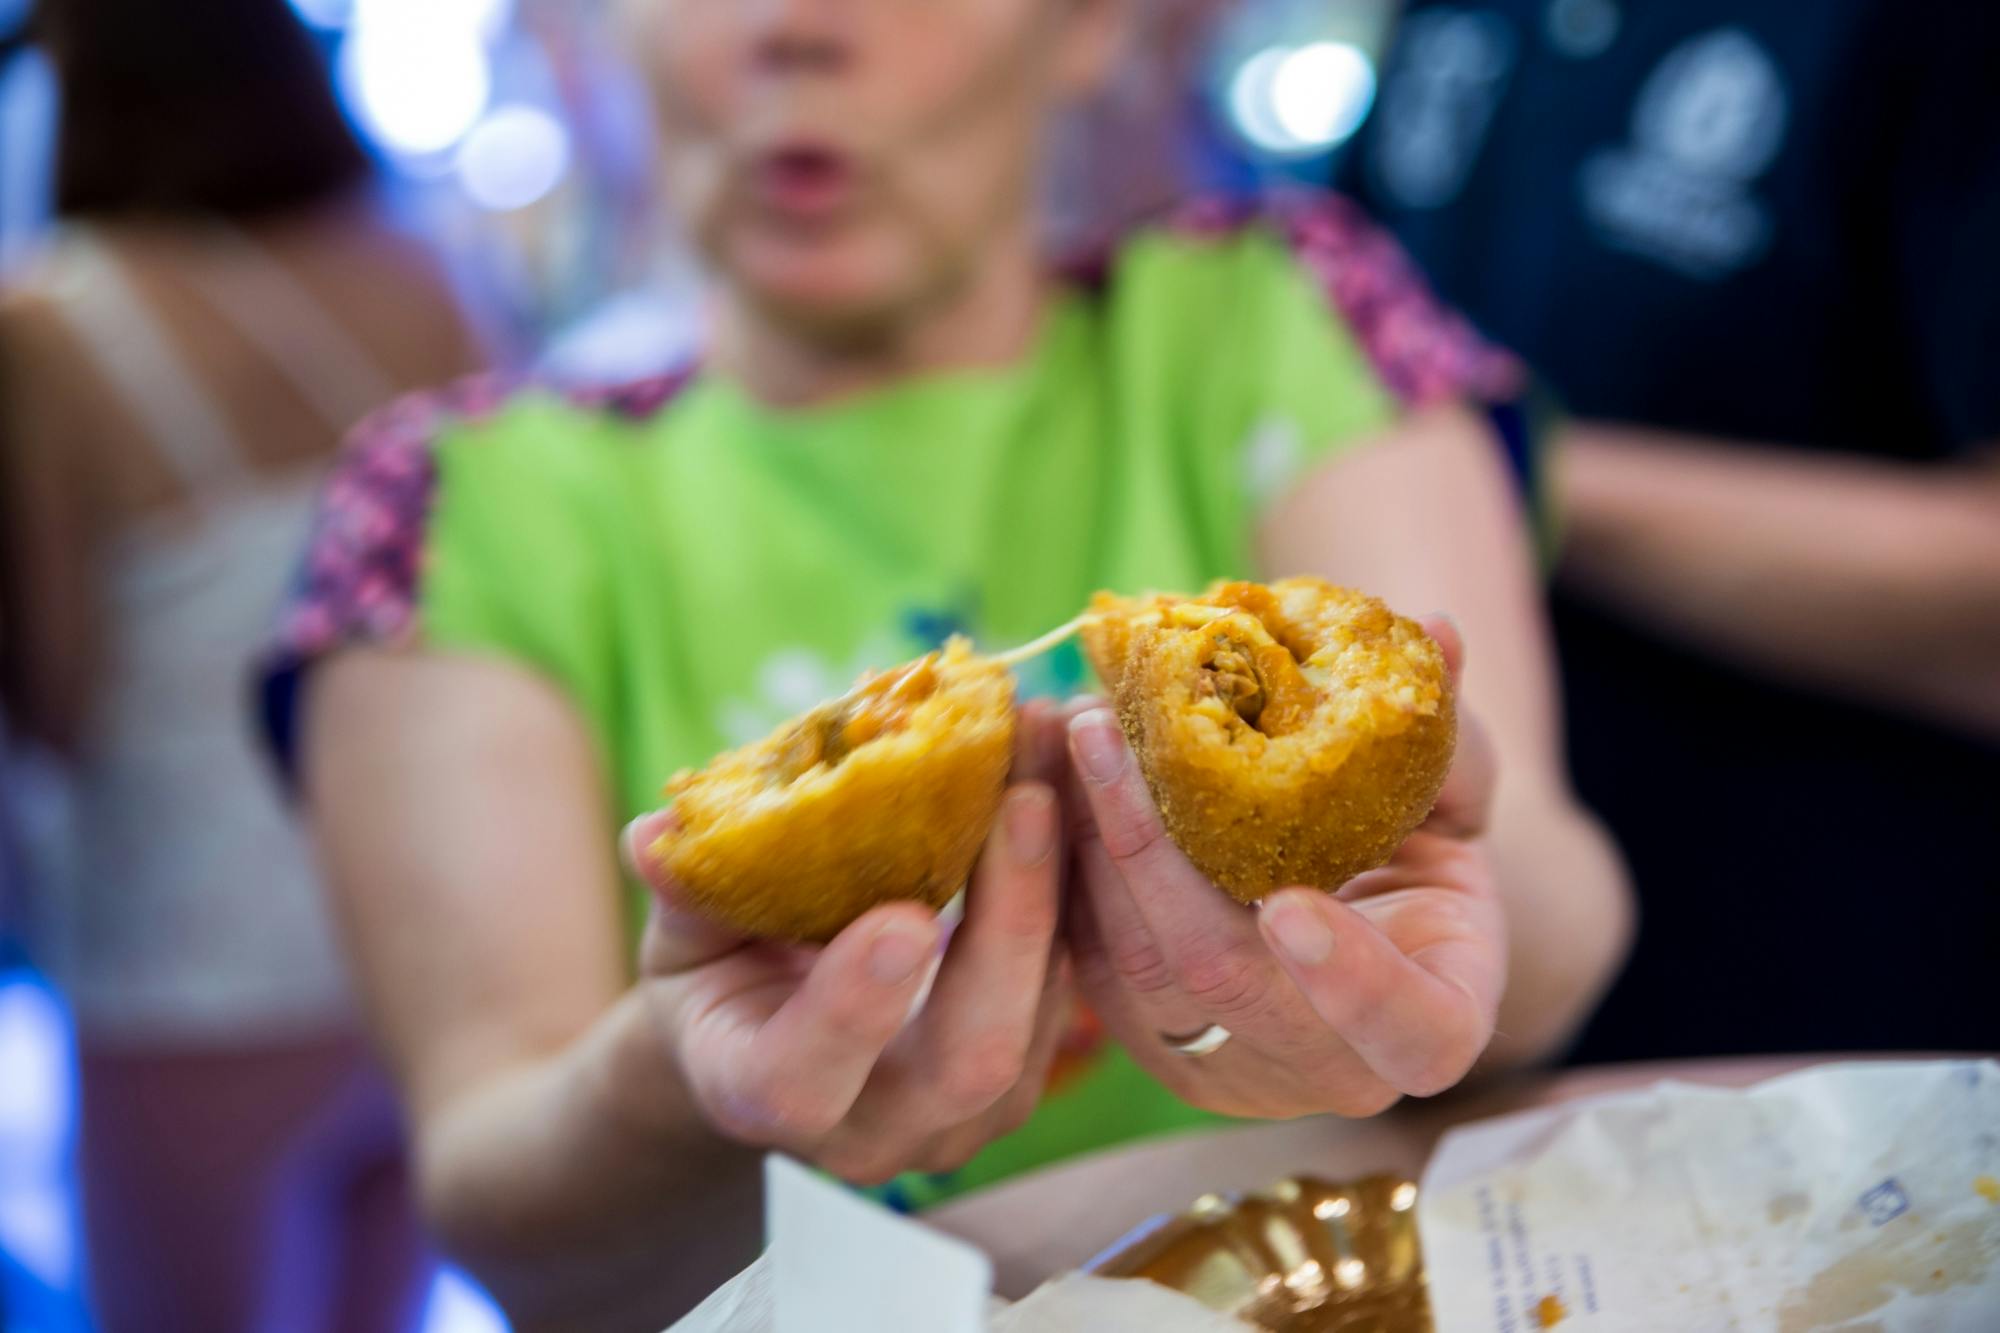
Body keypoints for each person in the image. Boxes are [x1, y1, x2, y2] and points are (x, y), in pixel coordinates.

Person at [259, 1, 1631, 1326]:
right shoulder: (450, 516)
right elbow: (511, 1222)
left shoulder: (1277, 322)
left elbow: (1550, 904)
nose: (794, 22)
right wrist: (680, 1082)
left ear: (1088, 21)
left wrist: (1428, 893)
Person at [1340, 0, 2000, 1061]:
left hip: (1855, 1017)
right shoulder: (1453, 21)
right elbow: (1341, 344)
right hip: (1485, 1000)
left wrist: (1504, 468)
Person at [0, 2, 489, 1329]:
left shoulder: (50, 322)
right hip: (437, 929)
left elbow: (58, 693)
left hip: (190, 958)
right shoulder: (419, 275)